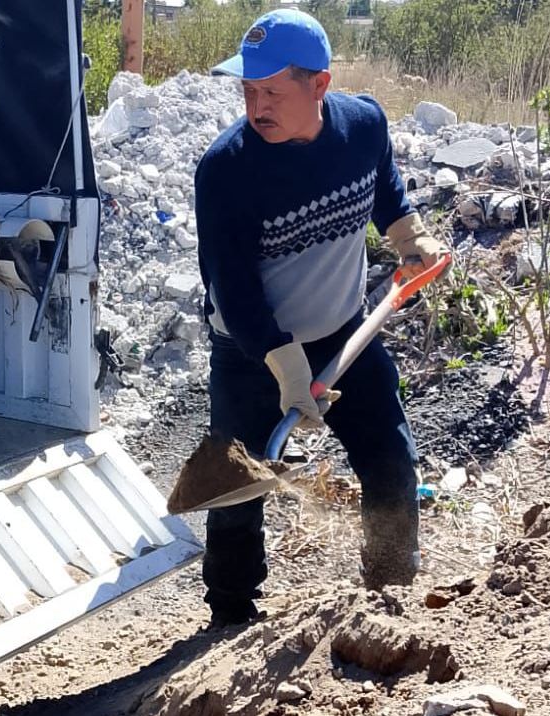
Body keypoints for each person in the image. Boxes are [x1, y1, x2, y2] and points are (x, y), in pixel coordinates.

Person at [193, 9, 447, 626]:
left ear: (320, 86)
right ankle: (229, 614)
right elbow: (234, 289)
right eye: (249, 92)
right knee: (237, 486)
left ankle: (389, 593)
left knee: (390, 457)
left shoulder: (362, 124)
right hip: (252, 349)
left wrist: (410, 234)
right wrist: (286, 371)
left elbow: (381, 180)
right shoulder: (226, 169)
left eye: (273, 91)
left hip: (343, 331)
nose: (257, 107)